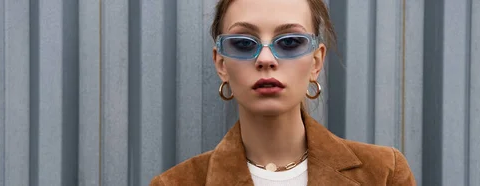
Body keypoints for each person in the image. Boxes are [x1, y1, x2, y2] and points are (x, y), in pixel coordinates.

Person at [150, 0, 416, 185]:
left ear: (316, 62)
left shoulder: (384, 174)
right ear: (221, 64)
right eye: (244, 43)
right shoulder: (176, 183)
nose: (266, 58)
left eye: (289, 42)